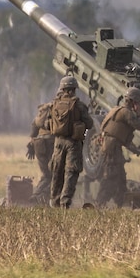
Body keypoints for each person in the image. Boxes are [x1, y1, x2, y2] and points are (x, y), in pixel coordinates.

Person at [95, 86, 140, 208]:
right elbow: (139, 126)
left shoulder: (116, 109)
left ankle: (120, 204)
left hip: (111, 146)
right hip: (112, 147)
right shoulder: (127, 113)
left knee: (121, 177)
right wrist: (138, 113)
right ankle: (100, 203)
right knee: (110, 176)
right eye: (137, 102)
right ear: (134, 102)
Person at [46, 75, 92, 208]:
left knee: (57, 170)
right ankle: (65, 202)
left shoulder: (54, 103)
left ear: (63, 88)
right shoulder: (78, 105)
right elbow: (89, 123)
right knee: (71, 172)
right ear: (74, 89)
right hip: (73, 143)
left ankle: (54, 201)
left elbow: (47, 122)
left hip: (58, 142)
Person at [26, 99, 54, 204]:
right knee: (56, 175)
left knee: (46, 175)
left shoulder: (42, 112)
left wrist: (32, 143)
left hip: (38, 144)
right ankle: (42, 198)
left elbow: (34, 126)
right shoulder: (58, 111)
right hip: (51, 143)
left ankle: (36, 195)